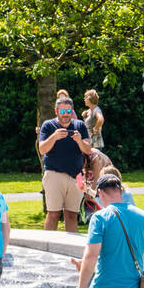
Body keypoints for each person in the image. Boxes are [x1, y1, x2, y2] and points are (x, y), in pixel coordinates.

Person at [38, 94, 91, 233]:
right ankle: (47, 246)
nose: (65, 115)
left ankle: (70, 249)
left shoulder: (80, 125)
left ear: (72, 111)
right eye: (62, 111)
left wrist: (80, 141)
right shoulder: (49, 126)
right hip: (54, 175)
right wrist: (54, 137)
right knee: (53, 213)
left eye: (68, 111)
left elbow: (88, 150)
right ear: (56, 111)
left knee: (72, 215)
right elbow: (42, 149)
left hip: (76, 177)